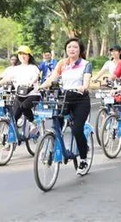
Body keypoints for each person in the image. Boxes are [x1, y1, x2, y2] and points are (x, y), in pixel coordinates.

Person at [40, 38, 92, 175]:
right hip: (65, 99)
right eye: (69, 47)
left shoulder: (86, 64)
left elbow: (86, 80)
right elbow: (52, 78)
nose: (72, 49)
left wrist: (84, 87)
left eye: (75, 47)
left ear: (80, 49)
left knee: (76, 129)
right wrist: (39, 87)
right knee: (56, 121)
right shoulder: (62, 64)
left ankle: (83, 158)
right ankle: (56, 148)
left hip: (81, 100)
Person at [0, 46, 40, 133]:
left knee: (24, 107)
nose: (22, 56)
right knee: (14, 117)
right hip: (19, 94)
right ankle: (9, 141)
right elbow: (8, 77)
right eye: (20, 54)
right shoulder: (16, 69)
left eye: (25, 54)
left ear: (29, 56)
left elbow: (36, 76)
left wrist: (31, 82)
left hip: (32, 94)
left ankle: (33, 123)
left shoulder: (33, 67)